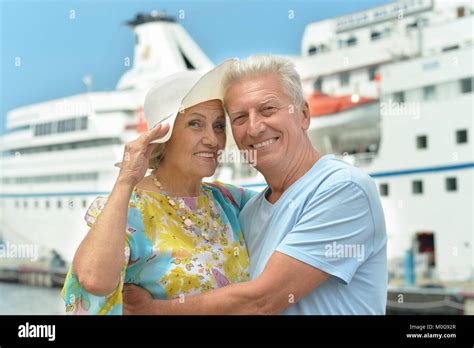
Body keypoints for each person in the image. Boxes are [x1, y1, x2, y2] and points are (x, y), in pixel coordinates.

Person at [123, 55, 388, 315]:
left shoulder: (343, 188)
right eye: (239, 117)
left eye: (267, 109)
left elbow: (261, 301)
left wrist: (151, 311)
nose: (255, 127)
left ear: (304, 115)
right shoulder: (247, 210)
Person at [61, 60, 256, 314]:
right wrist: (126, 179)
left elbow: (291, 195)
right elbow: (94, 281)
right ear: (164, 135)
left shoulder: (229, 201)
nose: (212, 139)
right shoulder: (128, 206)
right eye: (195, 123)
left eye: (218, 126)